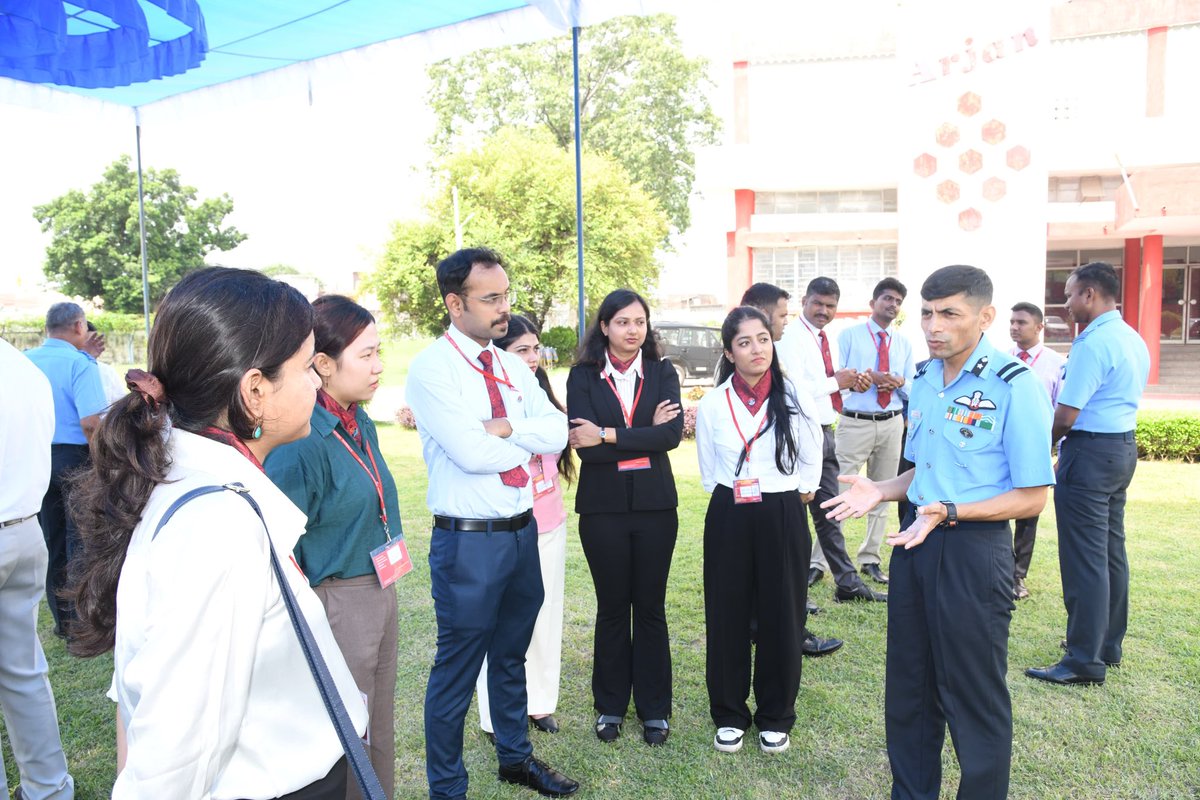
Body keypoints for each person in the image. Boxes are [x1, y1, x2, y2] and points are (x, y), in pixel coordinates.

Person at [67, 267, 369, 799]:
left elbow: (136, 691)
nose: (319, 381)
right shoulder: (218, 524)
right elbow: (173, 753)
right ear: (255, 390)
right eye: (305, 367)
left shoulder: (190, 482)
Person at [823, 265, 1054, 800]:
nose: (933, 325)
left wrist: (951, 512)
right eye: (927, 313)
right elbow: (922, 472)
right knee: (909, 690)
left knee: (973, 698)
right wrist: (881, 490)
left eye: (949, 313)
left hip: (973, 554)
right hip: (915, 544)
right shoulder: (924, 379)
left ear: (985, 316)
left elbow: (1033, 496)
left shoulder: (1013, 387)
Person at [406, 248, 578, 800]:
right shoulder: (433, 369)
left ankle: (514, 758)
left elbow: (556, 431)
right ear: (455, 304)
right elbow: (469, 453)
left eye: (506, 295)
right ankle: (448, 788)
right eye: (491, 299)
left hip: (522, 531)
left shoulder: (506, 363)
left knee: (511, 653)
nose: (505, 308)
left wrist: (502, 428)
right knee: (457, 669)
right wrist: (516, 436)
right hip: (469, 542)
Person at [265, 295, 403, 799]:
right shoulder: (302, 443)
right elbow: (280, 548)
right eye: (365, 355)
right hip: (337, 601)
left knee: (376, 725)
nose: (379, 366)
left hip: (378, 588)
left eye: (378, 352)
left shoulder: (356, 419)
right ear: (322, 364)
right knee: (343, 733)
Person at [697, 306, 822, 755]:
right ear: (729, 353)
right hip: (730, 510)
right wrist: (731, 495)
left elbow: (812, 452)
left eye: (763, 339)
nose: (756, 349)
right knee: (727, 613)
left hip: (782, 510)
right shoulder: (714, 403)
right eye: (744, 342)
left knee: (783, 614)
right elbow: (709, 466)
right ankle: (729, 713)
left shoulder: (795, 396)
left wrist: (799, 491)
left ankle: (775, 715)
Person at [567, 289, 683, 746]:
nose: (632, 330)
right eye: (622, 322)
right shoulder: (582, 376)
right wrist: (641, 435)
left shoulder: (662, 371)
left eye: (639, 321)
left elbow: (671, 435)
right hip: (603, 510)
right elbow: (583, 445)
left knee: (651, 609)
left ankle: (655, 710)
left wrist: (610, 435)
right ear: (604, 327)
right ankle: (610, 707)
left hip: (656, 507)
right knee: (613, 608)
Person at [1026, 262, 1149, 687]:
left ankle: (1083, 660)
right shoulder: (1132, 337)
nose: (1066, 302)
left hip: (1090, 453)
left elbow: (1065, 415)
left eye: (1071, 293)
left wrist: (1041, 452)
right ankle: (1107, 646)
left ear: (1091, 294)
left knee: (1085, 560)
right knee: (1111, 552)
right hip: (1121, 450)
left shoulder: (1093, 342)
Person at [474, 315, 574, 738]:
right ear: (500, 355)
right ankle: (496, 713)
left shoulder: (542, 396)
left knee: (544, 614)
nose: (533, 358)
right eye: (522, 350)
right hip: (501, 526)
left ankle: (538, 703)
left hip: (548, 520)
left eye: (536, 349)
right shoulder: (484, 397)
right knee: (497, 619)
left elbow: (555, 441)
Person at [738, 282, 842, 657]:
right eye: (781, 315)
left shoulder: (767, 354)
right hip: (772, 484)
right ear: (761, 314)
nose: (786, 322)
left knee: (780, 562)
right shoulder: (762, 359)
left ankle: (777, 623)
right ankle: (788, 632)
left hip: (782, 481)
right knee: (782, 563)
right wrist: (804, 482)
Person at [776, 278, 885, 604]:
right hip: (798, 435)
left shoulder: (825, 338)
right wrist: (836, 381)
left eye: (830, 306)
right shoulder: (790, 338)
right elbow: (792, 392)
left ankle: (848, 584)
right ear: (804, 300)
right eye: (818, 304)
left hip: (824, 432)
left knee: (830, 512)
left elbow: (825, 387)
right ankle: (791, 590)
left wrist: (852, 385)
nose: (824, 311)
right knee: (792, 516)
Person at [0, 337, 75, 800]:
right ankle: (49, 788)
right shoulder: (20, 365)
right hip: (23, 525)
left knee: (23, 668)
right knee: (22, 670)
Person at [24, 302, 107, 636]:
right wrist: (103, 462)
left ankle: (64, 623)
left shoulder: (24, 362)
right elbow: (91, 423)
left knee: (53, 540)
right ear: (78, 325)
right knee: (81, 540)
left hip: (37, 458)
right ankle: (84, 622)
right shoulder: (81, 364)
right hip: (74, 459)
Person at [835, 277, 916, 586]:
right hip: (855, 420)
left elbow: (913, 387)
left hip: (891, 421)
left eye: (897, 301)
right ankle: (824, 559)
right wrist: (859, 381)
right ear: (873, 303)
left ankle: (870, 558)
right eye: (887, 298)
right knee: (839, 491)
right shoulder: (849, 336)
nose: (892, 305)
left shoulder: (904, 343)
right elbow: (836, 380)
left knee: (883, 493)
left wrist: (898, 382)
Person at [1007, 301, 1066, 601]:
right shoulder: (1001, 360)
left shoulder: (1055, 363)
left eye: (1022, 322)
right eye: (1012, 322)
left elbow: (1062, 409)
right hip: (1002, 448)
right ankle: (1000, 570)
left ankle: (1018, 575)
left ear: (1039, 327)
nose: (1015, 327)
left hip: (1038, 448)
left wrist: (1054, 451)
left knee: (1028, 514)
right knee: (998, 507)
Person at [83, 321, 129, 406]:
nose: (93, 346)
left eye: (95, 340)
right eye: (88, 342)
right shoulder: (69, 371)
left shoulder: (107, 371)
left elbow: (119, 404)